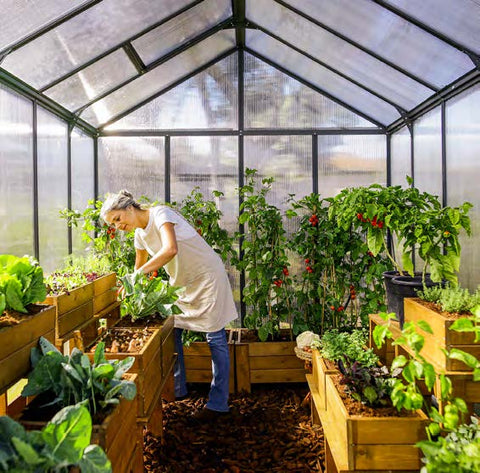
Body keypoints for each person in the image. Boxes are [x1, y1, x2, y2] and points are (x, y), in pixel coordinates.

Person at [100, 190, 238, 420]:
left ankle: (218, 404)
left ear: (129, 208)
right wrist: (130, 288)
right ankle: (177, 389)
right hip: (182, 284)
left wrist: (137, 276)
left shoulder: (160, 214)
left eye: (117, 219)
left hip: (206, 277)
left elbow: (170, 249)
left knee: (215, 337)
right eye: (113, 224)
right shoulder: (139, 236)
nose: (117, 226)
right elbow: (139, 269)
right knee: (171, 329)